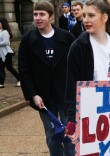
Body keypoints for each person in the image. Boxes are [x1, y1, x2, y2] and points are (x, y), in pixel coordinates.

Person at [64, 0, 110, 143]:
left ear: (104, 17)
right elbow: (71, 88)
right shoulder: (78, 47)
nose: (86, 20)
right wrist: (73, 120)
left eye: (91, 15)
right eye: (84, 16)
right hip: (90, 114)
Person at [18, 1, 75, 156]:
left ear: (51, 17)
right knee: (52, 134)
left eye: (42, 14)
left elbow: (75, 65)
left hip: (65, 95)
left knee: (70, 133)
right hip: (43, 97)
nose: (38, 18)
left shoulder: (67, 37)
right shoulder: (28, 39)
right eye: (35, 14)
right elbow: (24, 70)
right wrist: (33, 94)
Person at [0, 17, 20, 88]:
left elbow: (5, 42)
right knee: (1, 68)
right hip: (1, 53)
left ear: (3, 24)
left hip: (7, 53)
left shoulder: (5, 32)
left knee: (9, 67)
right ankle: (1, 83)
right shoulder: (0, 31)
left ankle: (19, 79)